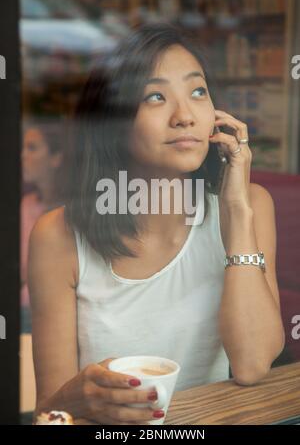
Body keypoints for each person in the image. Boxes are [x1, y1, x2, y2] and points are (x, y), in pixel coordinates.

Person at [28, 23, 285, 425]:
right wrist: (76, 400)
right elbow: (50, 415)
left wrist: (235, 210)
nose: (185, 116)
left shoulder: (250, 207)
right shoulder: (57, 236)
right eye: (156, 96)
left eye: (197, 91)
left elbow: (253, 365)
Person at [21, 121, 64, 331]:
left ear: (56, 157)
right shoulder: (27, 204)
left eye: (32, 148)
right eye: (23, 147)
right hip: (24, 309)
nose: (23, 155)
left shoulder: (74, 210)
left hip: (54, 312)